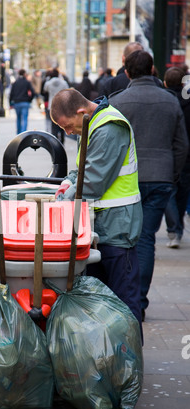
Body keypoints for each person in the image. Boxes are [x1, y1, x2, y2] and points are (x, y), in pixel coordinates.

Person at [50, 88, 143, 339]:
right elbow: (81, 171)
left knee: (123, 301)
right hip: (98, 227)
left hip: (117, 227)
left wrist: (61, 203)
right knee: (101, 303)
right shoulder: (89, 125)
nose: (67, 133)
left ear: (81, 112)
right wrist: (66, 183)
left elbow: (92, 181)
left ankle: (129, 362)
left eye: (67, 126)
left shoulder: (110, 127)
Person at [109, 50, 188, 320]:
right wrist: (172, 175)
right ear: (153, 69)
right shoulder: (169, 101)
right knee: (146, 239)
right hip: (161, 178)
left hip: (127, 181)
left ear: (127, 72)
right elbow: (181, 145)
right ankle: (139, 301)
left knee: (125, 240)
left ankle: (128, 300)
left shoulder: (118, 102)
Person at [163, 66, 190, 248]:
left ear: (165, 83)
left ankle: (175, 229)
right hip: (187, 154)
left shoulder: (164, 101)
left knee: (170, 192)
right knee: (182, 191)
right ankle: (178, 224)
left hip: (167, 151)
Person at [43, 68, 69, 144]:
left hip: (52, 105)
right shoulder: (63, 83)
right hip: (62, 105)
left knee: (53, 124)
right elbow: (67, 91)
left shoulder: (48, 83)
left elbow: (45, 90)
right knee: (63, 123)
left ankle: (55, 141)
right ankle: (62, 140)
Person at [9, 69, 35, 134]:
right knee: (24, 119)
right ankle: (24, 133)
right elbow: (33, 92)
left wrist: (10, 103)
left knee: (18, 118)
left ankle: (18, 133)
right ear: (24, 74)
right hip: (25, 102)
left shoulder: (15, 83)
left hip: (17, 102)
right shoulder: (27, 82)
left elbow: (11, 94)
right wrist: (29, 100)